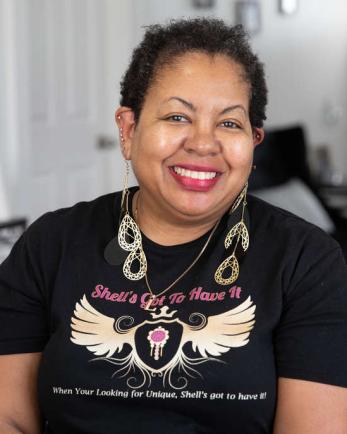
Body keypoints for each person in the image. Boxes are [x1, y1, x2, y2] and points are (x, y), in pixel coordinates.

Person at [0, 18, 346, 434]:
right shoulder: (49, 245)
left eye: (230, 123)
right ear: (128, 130)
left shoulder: (306, 261)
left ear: (254, 143)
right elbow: (9, 416)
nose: (203, 142)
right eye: (178, 117)